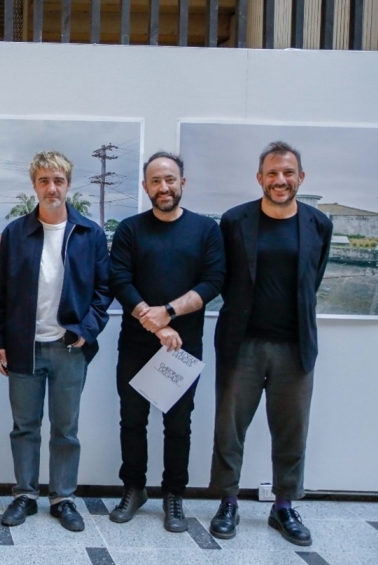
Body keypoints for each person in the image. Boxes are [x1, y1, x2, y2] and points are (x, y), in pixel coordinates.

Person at [208, 141, 332, 546]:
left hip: (295, 347)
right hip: (241, 344)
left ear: (301, 177)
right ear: (260, 177)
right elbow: (222, 278)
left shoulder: (318, 224)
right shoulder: (234, 221)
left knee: (291, 431)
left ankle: (284, 506)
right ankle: (228, 502)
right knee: (230, 429)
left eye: (288, 173)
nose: (281, 180)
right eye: (273, 173)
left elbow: (311, 281)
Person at [0, 150, 112, 532]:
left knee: (65, 429)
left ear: (68, 184)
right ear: (34, 186)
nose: (52, 187)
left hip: (69, 348)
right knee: (24, 426)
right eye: (44, 181)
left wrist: (85, 330)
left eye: (58, 180)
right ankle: (24, 495)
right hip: (24, 346)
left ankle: (62, 498)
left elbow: (104, 292)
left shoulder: (89, 233)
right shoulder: (15, 233)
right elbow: (3, 291)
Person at [108, 151, 225, 532]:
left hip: (184, 347)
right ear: (145, 187)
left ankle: (174, 496)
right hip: (137, 344)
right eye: (155, 181)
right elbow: (120, 281)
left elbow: (213, 282)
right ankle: (134, 488)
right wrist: (156, 324)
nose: (163, 187)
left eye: (170, 179)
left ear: (182, 183)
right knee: (132, 421)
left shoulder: (206, 231)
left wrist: (170, 313)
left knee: (178, 425)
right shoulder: (129, 229)